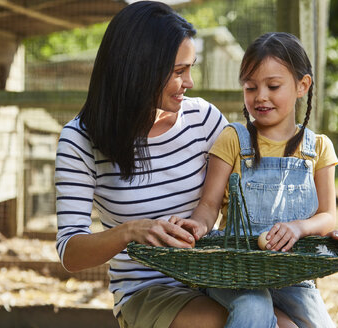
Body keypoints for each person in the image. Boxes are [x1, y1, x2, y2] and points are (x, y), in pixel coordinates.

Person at [55, 2, 230, 327]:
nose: (190, 81)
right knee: (218, 322)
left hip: (217, 277)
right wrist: (130, 231)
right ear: (138, 69)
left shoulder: (204, 119)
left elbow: (246, 188)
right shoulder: (79, 139)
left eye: (190, 67)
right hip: (148, 290)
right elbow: (70, 252)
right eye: (179, 71)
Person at [170, 32, 338, 327]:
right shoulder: (233, 139)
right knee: (253, 308)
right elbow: (209, 204)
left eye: (273, 86)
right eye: (250, 87)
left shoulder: (318, 148)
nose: (260, 96)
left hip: (292, 274)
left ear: (303, 85)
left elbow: (328, 216)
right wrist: (198, 225)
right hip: (234, 268)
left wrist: (301, 227)